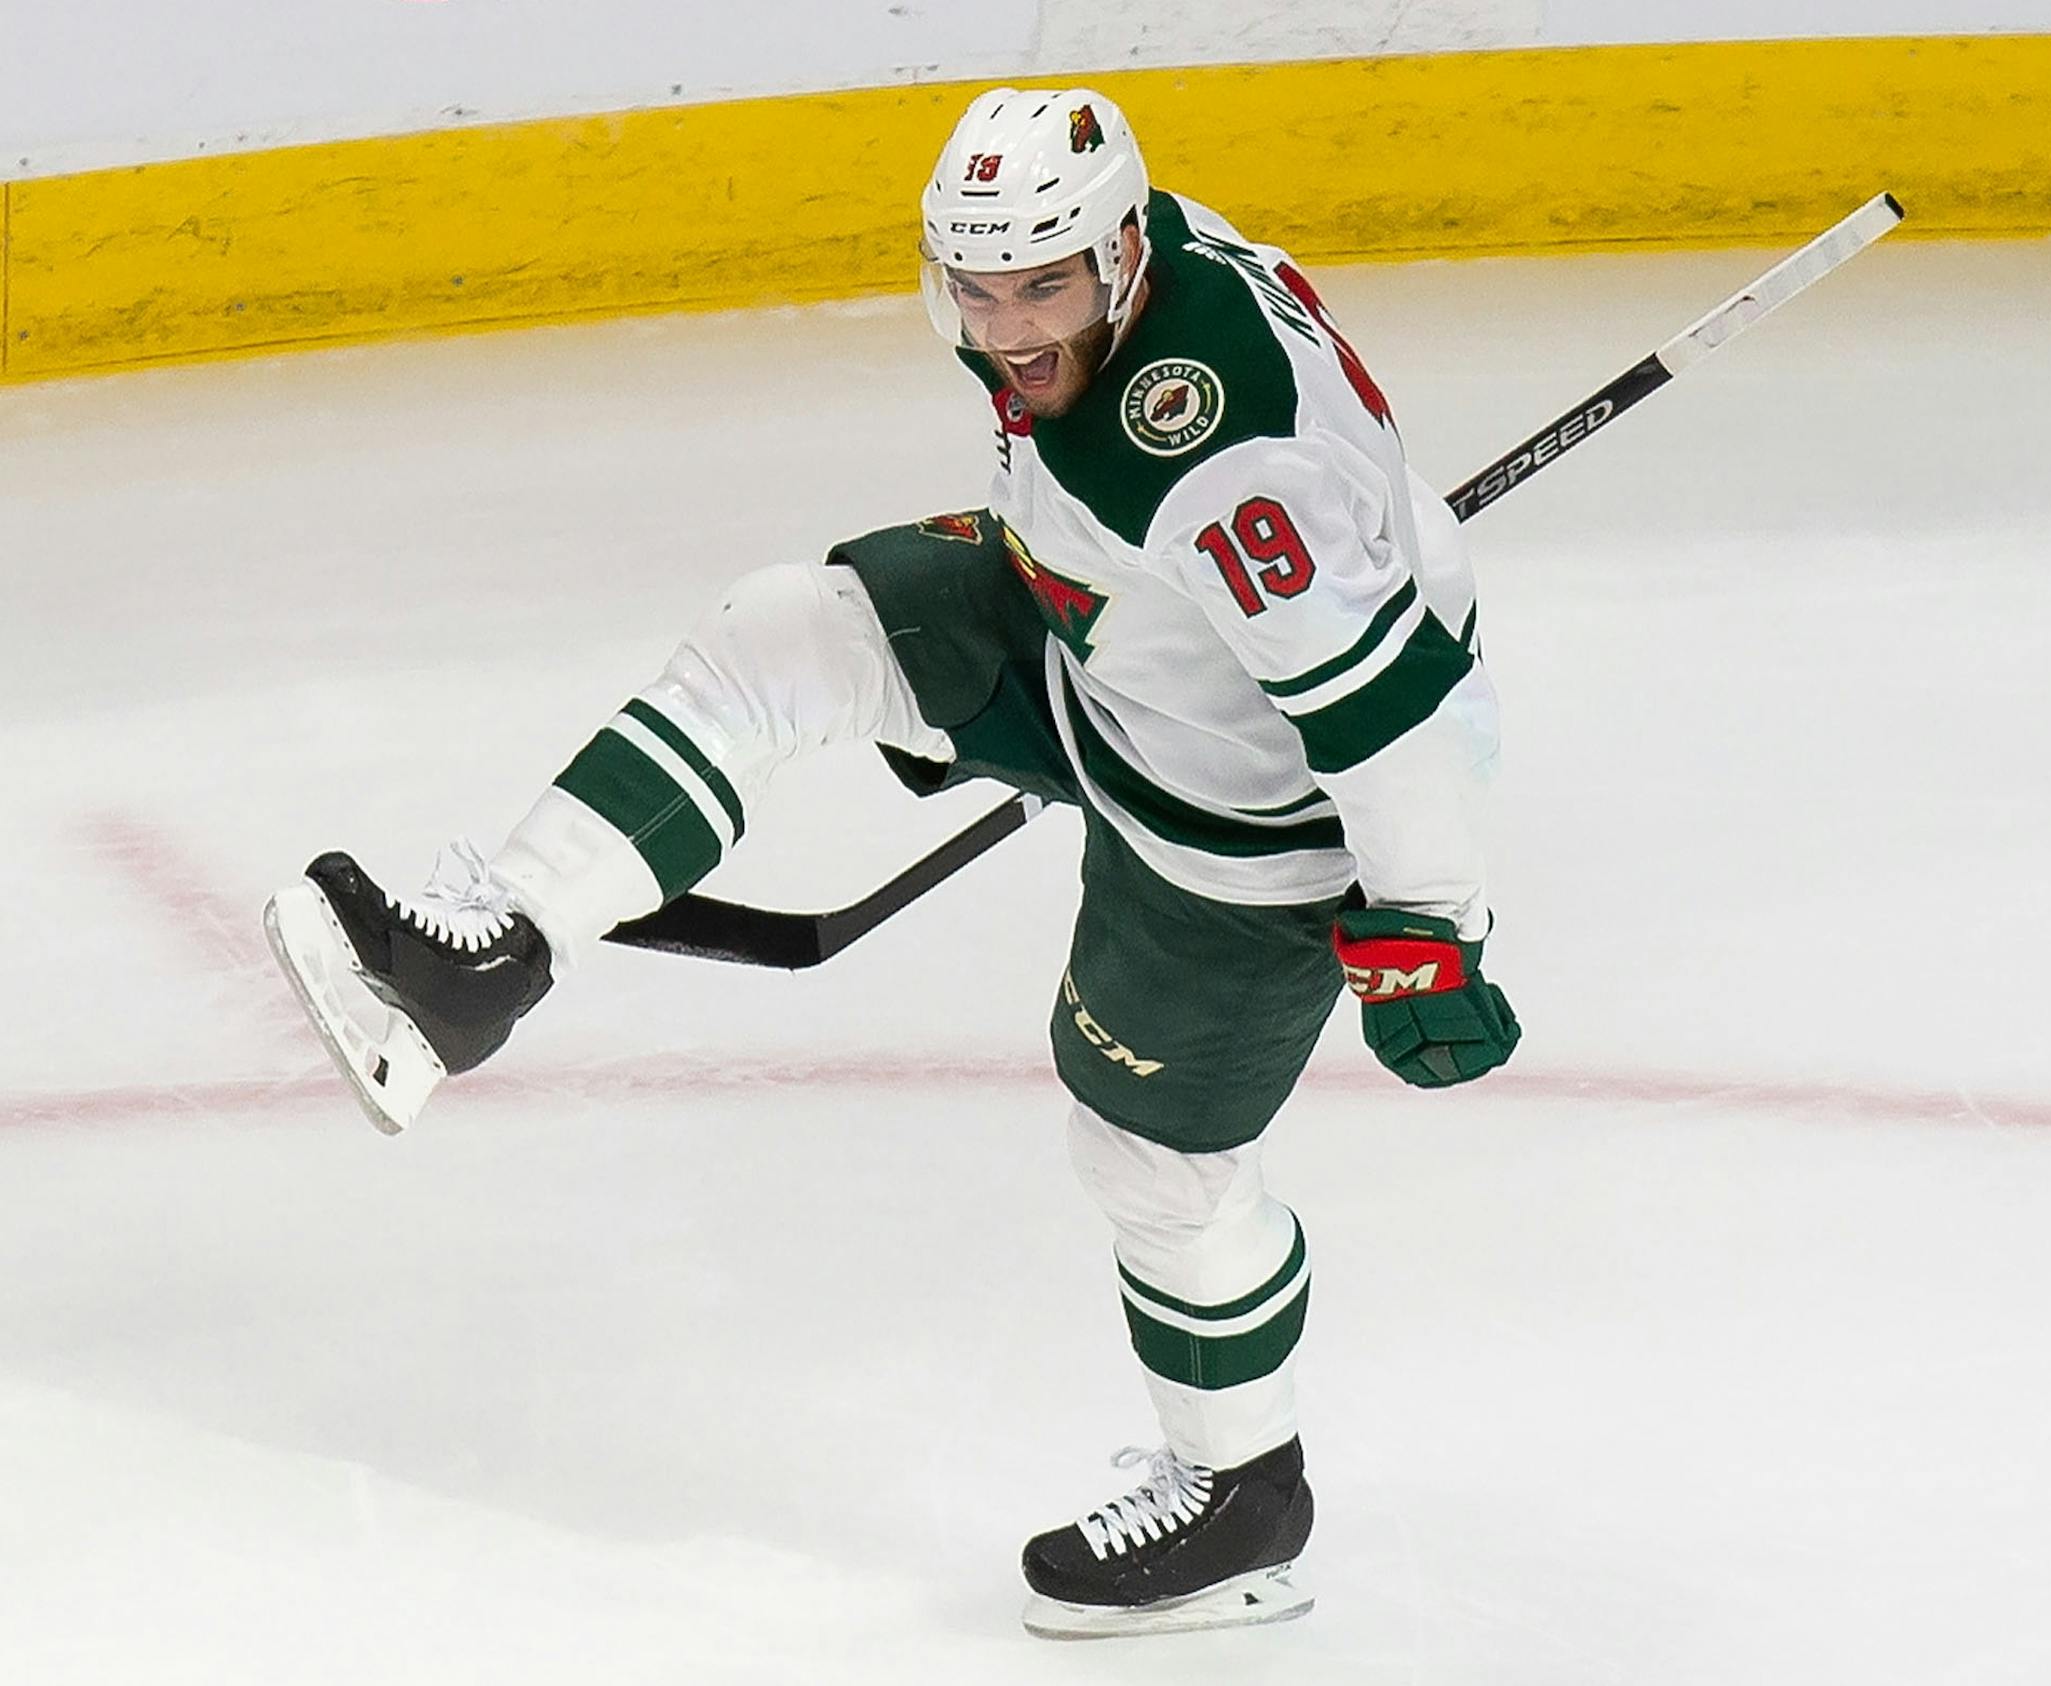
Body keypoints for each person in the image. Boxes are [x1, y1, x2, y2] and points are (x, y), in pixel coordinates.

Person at [265, 86, 1520, 1640]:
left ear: (1121, 256)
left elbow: (1385, 711)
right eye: (978, 289)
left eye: (1041, 288)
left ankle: (1246, 1501)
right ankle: (491, 954)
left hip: (1251, 822)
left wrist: (1431, 926)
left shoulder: (1219, 471)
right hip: (1111, 649)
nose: (1006, 327)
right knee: (796, 631)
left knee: (1150, 1163)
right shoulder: (1161, 267)